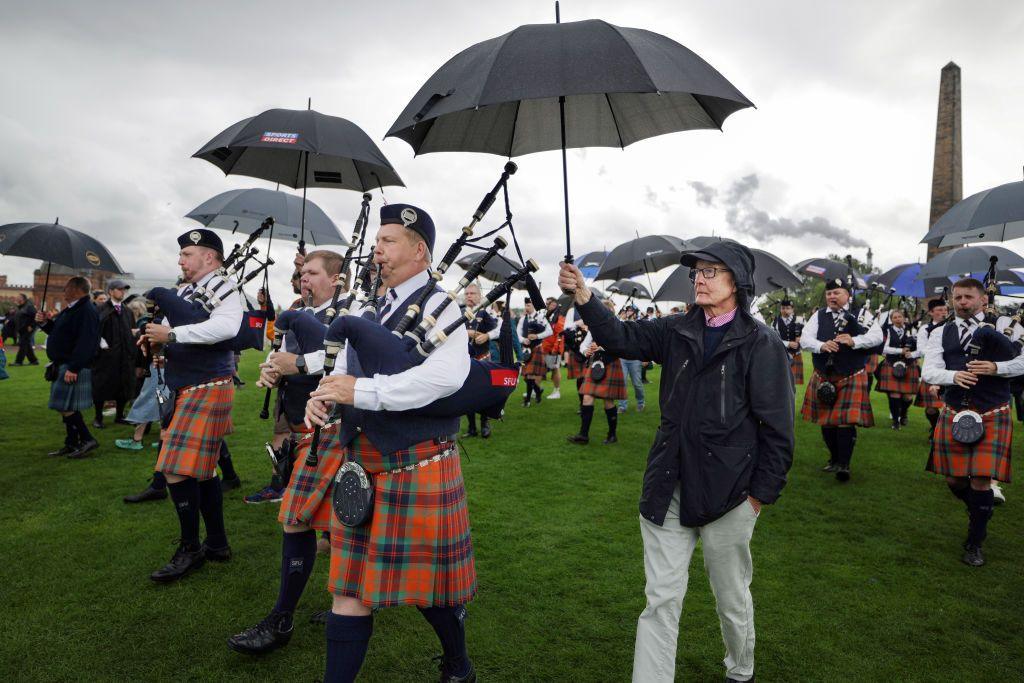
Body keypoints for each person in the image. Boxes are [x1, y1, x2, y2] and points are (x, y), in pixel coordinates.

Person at [558, 241, 794, 683]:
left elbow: (778, 431)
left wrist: (759, 497)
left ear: (737, 283)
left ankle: (740, 671)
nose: (699, 279)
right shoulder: (676, 330)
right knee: (661, 598)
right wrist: (585, 298)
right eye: (696, 273)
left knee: (731, 597)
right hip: (667, 483)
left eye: (710, 272)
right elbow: (621, 338)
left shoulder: (762, 343)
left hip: (731, 494)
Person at [303, 203, 477, 683]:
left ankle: (458, 663)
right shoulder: (367, 304)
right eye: (376, 241)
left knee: (430, 592)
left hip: (416, 463)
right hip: (362, 459)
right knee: (349, 590)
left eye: (389, 241)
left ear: (419, 250)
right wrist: (323, 398)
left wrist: (363, 392)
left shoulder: (441, 306)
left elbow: (443, 379)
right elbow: (342, 363)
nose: (376, 249)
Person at [139, 228, 240, 583]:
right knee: (204, 470)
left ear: (209, 257)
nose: (180, 260)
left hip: (208, 384)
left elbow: (227, 328)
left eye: (187, 254)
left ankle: (190, 547)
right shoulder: (188, 290)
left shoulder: (224, 287)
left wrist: (173, 335)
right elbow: (168, 328)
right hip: (186, 385)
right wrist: (155, 340)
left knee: (175, 470)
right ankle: (216, 543)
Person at [923, 278, 1022, 566]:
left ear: (983, 299)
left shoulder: (1007, 325)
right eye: (958, 297)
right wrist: (953, 376)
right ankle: (982, 509)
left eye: (968, 297)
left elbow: (1022, 361)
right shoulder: (941, 332)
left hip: (993, 411)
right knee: (954, 480)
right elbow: (929, 371)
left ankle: (974, 542)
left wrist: (996, 367)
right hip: (955, 409)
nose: (962, 302)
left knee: (980, 480)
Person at [800, 278, 883, 481]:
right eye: (829, 293)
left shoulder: (862, 315)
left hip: (851, 374)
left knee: (845, 422)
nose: (831, 297)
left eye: (836, 293)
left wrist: (855, 340)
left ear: (848, 295)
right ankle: (834, 458)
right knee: (827, 423)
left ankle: (844, 464)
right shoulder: (818, 316)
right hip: (823, 374)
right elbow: (805, 338)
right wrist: (821, 345)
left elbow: (878, 337)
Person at [35, 277, 100, 458]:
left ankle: (87, 439)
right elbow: (60, 333)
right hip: (64, 363)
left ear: (76, 289)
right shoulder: (73, 309)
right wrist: (44, 323)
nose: (63, 291)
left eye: (66, 288)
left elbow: (86, 342)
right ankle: (71, 443)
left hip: (71, 365)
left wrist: (74, 367)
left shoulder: (86, 310)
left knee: (64, 405)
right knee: (68, 406)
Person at [567, 299, 628, 445]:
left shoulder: (617, 325)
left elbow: (622, 347)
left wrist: (600, 348)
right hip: (595, 364)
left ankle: (612, 435)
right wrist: (586, 350)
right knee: (587, 397)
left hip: (611, 363)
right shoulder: (594, 327)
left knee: (608, 401)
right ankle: (583, 435)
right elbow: (583, 345)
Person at [91, 278, 136, 428]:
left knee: (123, 386)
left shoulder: (128, 311)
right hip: (106, 357)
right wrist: (103, 345)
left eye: (124, 289)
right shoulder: (101, 309)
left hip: (124, 356)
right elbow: (94, 330)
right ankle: (98, 417)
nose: (122, 292)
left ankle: (119, 415)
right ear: (111, 291)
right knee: (102, 385)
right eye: (119, 289)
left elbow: (131, 331)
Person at [462, 282, 501, 438]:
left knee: (483, 392)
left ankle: (485, 425)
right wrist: (467, 332)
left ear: (479, 296)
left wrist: (487, 335)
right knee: (466, 394)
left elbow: (499, 328)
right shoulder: (460, 312)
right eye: (467, 294)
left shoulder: (485, 312)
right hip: (464, 359)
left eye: (472, 293)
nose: (469, 296)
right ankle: (472, 428)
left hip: (482, 357)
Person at [877, 308, 921, 430]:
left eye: (899, 317)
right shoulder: (888, 330)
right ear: (891, 320)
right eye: (895, 317)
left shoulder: (912, 329)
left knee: (907, 396)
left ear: (903, 318)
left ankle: (904, 413)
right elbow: (883, 349)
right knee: (894, 394)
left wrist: (914, 354)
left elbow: (920, 346)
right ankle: (895, 421)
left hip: (909, 364)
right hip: (892, 363)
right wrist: (900, 351)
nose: (897, 319)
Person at [915, 298, 949, 434]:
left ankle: (945, 432)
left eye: (945, 310)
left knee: (950, 405)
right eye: (940, 310)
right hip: (933, 368)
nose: (943, 313)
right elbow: (921, 349)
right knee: (931, 408)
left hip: (950, 369)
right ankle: (935, 429)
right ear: (930, 312)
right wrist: (937, 352)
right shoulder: (925, 329)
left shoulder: (952, 326)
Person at [517, 297, 552, 406]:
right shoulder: (523, 319)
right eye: (526, 305)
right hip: (526, 350)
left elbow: (550, 331)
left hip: (536, 348)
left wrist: (537, 336)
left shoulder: (541, 317)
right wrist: (524, 340)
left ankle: (527, 400)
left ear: (533, 306)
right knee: (527, 377)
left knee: (530, 376)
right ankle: (538, 391)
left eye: (529, 305)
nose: (527, 307)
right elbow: (517, 333)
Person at [617, 305, 646, 413]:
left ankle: (641, 402)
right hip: (622, 358)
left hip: (635, 358)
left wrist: (645, 357)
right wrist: (621, 318)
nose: (628, 312)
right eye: (627, 310)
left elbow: (643, 341)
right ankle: (622, 406)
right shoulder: (620, 322)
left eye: (630, 311)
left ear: (634, 312)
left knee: (637, 383)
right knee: (622, 382)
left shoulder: (639, 323)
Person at [772, 298, 803, 385]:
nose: (785, 310)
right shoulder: (775, 322)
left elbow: (807, 335)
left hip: (796, 355)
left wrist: (801, 339)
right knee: (782, 381)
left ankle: (792, 398)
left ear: (792, 309)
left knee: (793, 382)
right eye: (783, 308)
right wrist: (788, 343)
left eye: (788, 308)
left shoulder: (800, 320)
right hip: (782, 354)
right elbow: (774, 339)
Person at [540, 297, 565, 399]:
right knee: (539, 369)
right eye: (547, 304)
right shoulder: (546, 316)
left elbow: (560, 335)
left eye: (550, 304)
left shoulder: (559, 318)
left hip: (553, 349)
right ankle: (535, 389)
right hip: (545, 348)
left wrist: (556, 349)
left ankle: (556, 391)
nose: (548, 306)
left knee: (555, 369)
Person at [11, 293, 39, 366]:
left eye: (18, 297)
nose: (17, 298)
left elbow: (35, 316)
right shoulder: (20, 307)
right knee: (26, 344)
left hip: (28, 328)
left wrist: (31, 326)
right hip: (22, 329)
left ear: (23, 299)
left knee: (23, 344)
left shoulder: (29, 306)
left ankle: (18, 361)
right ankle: (34, 361)